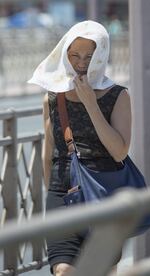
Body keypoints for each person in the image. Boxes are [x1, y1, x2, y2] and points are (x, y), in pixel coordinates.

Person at [28, 20, 131, 276]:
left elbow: (120, 152)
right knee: (64, 270)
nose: (82, 63)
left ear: (102, 55)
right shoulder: (53, 97)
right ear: (64, 54)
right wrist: (52, 192)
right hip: (62, 193)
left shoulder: (117, 96)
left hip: (104, 192)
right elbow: (49, 148)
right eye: (74, 55)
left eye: (89, 55)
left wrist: (91, 105)